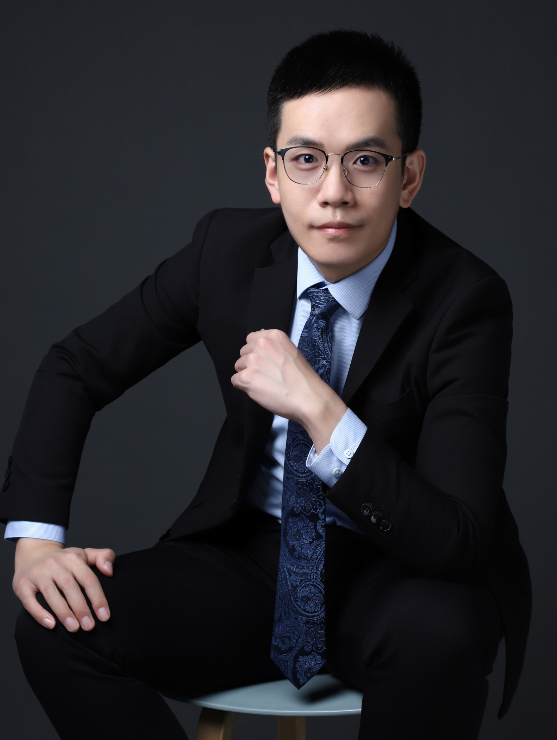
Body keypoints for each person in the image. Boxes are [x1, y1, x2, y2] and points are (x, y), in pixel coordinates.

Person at [1, 30, 531, 740]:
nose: (334, 193)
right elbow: (76, 365)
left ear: (408, 177)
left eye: (366, 160)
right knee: (57, 625)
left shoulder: (465, 298)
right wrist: (36, 542)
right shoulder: (225, 251)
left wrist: (319, 407)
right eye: (306, 160)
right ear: (273, 173)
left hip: (399, 569)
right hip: (250, 562)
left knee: (443, 634)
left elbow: (454, 538)